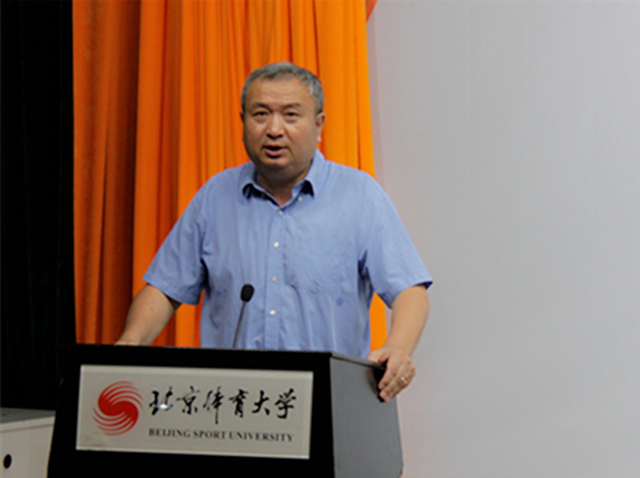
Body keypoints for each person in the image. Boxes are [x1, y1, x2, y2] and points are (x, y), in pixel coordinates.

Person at [116, 63, 431, 401]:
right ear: (243, 122)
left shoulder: (358, 195)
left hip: (328, 399)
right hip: (232, 403)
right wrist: (130, 342)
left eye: (291, 115)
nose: (274, 129)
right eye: (260, 115)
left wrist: (398, 348)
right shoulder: (215, 196)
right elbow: (164, 288)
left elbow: (409, 290)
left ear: (319, 125)